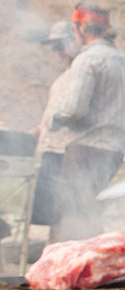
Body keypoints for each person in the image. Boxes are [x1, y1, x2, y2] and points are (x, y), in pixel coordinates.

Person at [49, 3, 125, 242]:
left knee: (73, 215)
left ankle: (65, 273)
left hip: (86, 146)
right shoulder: (124, 60)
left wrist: (57, 117)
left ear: (79, 29)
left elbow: (75, 109)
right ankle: (94, 268)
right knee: (89, 211)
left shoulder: (87, 60)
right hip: (114, 147)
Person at [29, 21, 80, 231]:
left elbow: (76, 111)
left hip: (65, 150)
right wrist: (37, 131)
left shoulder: (81, 72)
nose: (58, 51)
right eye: (55, 47)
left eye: (61, 45)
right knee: (51, 212)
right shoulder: (64, 77)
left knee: (65, 209)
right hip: (50, 149)